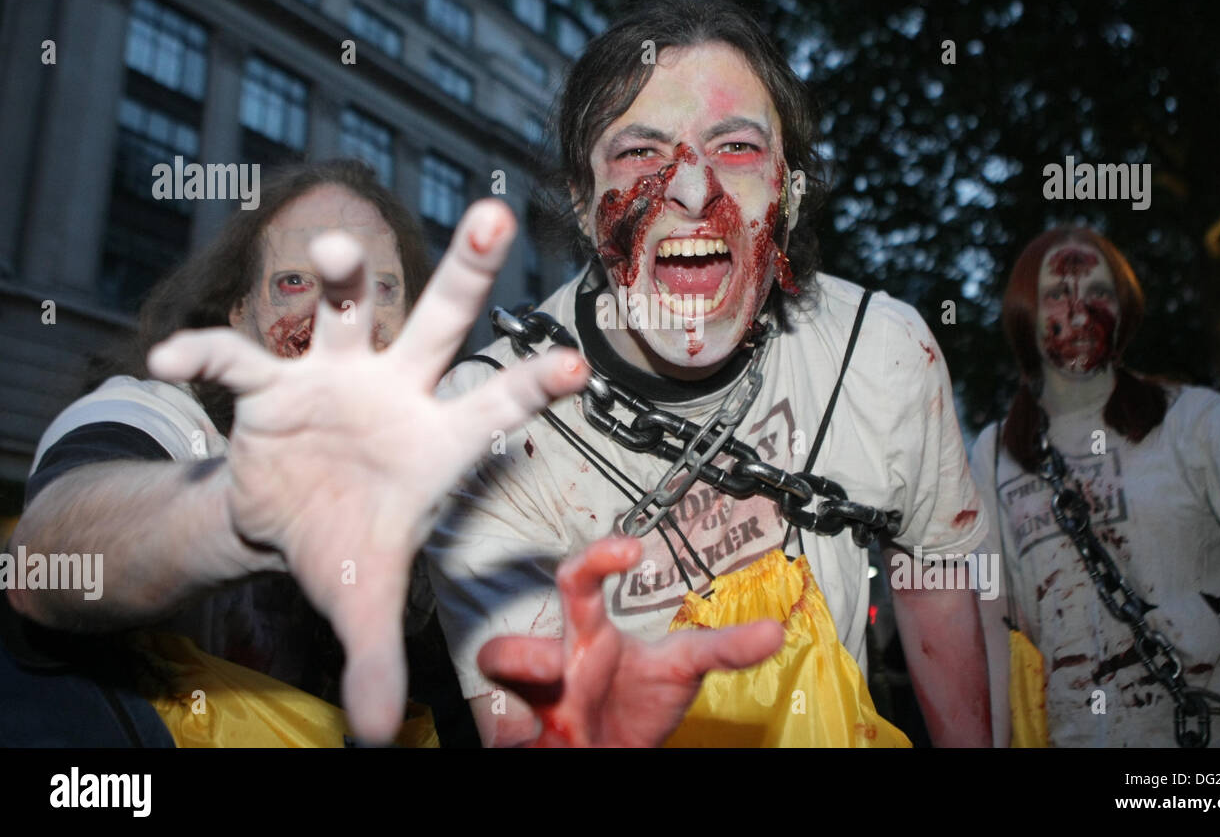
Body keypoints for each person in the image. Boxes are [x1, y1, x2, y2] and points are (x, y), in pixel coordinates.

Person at [6, 158, 779, 746]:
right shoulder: (161, 420)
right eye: (295, 280)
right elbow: (50, 556)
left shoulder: (457, 515)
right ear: (238, 315)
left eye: (380, 289)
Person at [426, 0, 992, 748]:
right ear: (581, 198)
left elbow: (937, 592)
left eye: (737, 147)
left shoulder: (883, 355)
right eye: (639, 152)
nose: (693, 191)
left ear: (788, 191)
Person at [972, 226, 1220, 747]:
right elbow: (989, 628)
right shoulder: (995, 456)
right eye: (1058, 295)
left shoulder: (1195, 419)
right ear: (1023, 316)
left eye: (1099, 293)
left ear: (1123, 311)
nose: (1080, 312)